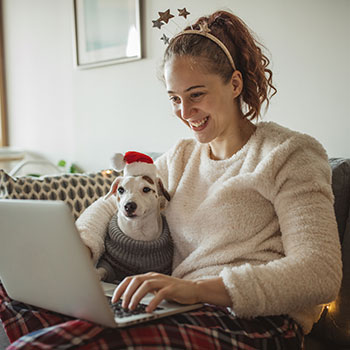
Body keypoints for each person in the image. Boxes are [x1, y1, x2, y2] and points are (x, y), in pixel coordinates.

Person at [1, 9, 342, 350]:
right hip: (182, 307)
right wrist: (81, 248)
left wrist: (198, 290)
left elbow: (320, 272)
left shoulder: (290, 154)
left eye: (196, 94)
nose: (184, 112)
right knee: (11, 298)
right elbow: (114, 199)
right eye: (174, 99)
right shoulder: (182, 156)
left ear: (234, 84)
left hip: (255, 322)